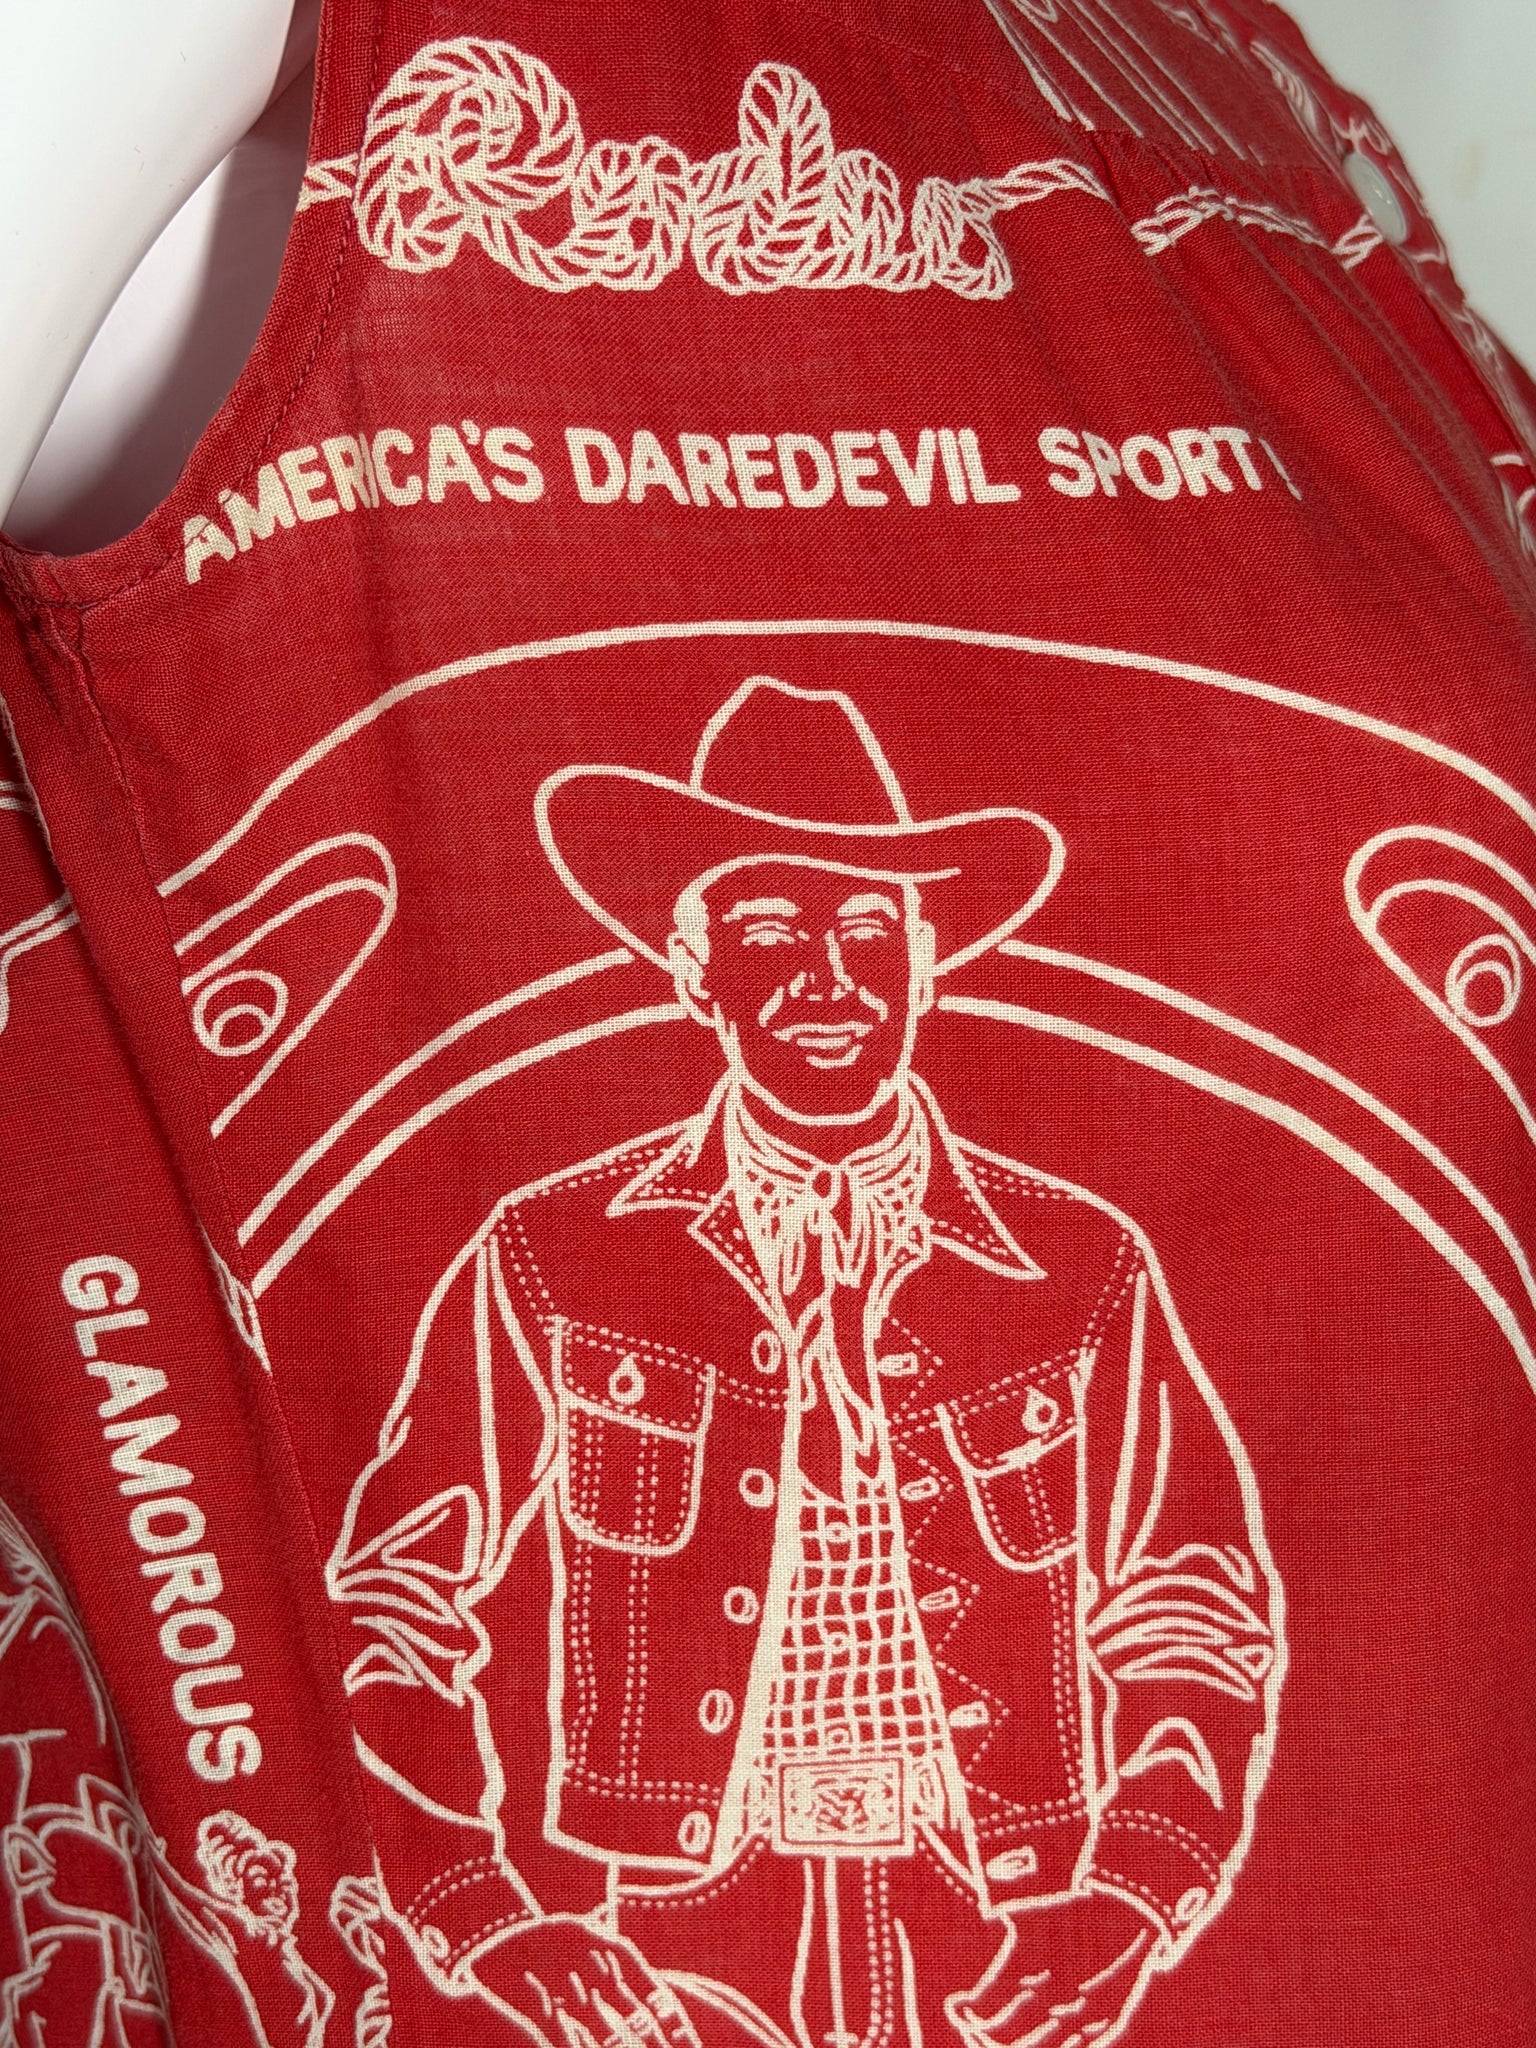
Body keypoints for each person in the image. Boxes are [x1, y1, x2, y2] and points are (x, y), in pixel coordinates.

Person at [329, 676, 1282, 2048]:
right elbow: (390, 1600)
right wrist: (481, 1911)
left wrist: (1131, 1895)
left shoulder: (1081, 1266)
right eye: (772, 934)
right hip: (675, 1930)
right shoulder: (552, 1253)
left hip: (1006, 1913)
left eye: (867, 932)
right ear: (694, 970)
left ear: (924, 963)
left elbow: (1189, 1599)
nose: (828, 980)